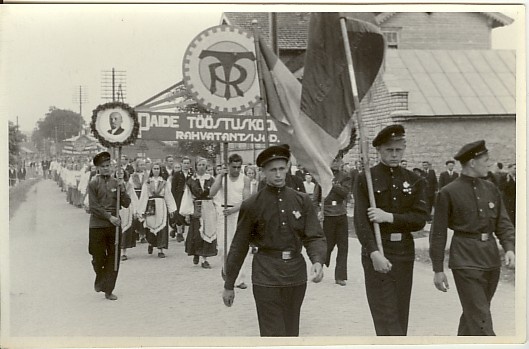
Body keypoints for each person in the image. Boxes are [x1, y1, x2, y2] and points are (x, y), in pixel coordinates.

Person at [222, 145, 326, 337]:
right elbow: (239, 246)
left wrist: (317, 261)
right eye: (272, 170)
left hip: (295, 275)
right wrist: (229, 284)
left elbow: (314, 236)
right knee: (273, 334)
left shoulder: (302, 200)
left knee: (291, 331)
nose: (278, 174)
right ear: (262, 172)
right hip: (266, 276)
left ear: (287, 168)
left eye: (281, 168)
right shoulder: (252, 205)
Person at [429, 140, 515, 336]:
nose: (489, 164)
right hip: (465, 260)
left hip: (491, 260)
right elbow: (438, 233)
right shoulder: (448, 192)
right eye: (486, 160)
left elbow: (503, 222)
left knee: (474, 315)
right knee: (480, 316)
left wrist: (509, 248)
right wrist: (437, 269)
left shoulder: (491, 188)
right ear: (472, 163)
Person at [354, 124, 429, 336]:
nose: (395, 155)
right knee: (385, 314)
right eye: (389, 150)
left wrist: (390, 217)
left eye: (399, 150)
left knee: (400, 312)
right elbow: (361, 221)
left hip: (404, 252)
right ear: (379, 150)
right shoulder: (366, 179)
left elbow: (420, 219)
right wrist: (373, 252)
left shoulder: (414, 180)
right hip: (379, 251)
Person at [87, 151, 131, 300]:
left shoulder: (116, 182)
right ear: (98, 168)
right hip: (97, 225)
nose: (106, 168)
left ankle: (108, 289)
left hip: (114, 225)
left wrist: (122, 189)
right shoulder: (93, 183)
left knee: (114, 258)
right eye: (103, 166)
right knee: (97, 256)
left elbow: (126, 203)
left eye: (108, 165)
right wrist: (109, 217)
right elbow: (93, 206)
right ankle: (100, 278)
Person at [210, 153, 251, 288]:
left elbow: (246, 200)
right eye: (233, 167)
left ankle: (239, 279)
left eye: (239, 167)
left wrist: (234, 210)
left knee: (239, 246)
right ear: (228, 166)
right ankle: (226, 268)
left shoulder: (244, 179)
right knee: (222, 247)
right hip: (223, 213)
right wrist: (220, 176)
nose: (236, 170)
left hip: (238, 213)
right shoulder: (223, 178)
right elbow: (212, 193)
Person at [313, 158, 351, 286]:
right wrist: (318, 211)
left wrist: (332, 183)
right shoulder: (321, 176)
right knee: (327, 245)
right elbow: (316, 198)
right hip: (327, 214)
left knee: (343, 246)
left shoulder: (345, 176)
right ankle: (319, 269)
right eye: (333, 160)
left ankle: (340, 276)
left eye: (338, 161)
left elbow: (345, 192)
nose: (335, 163)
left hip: (340, 213)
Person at [137, 162, 177, 258]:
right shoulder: (147, 183)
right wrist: (141, 210)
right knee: (150, 225)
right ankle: (151, 243)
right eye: (154, 168)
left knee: (162, 226)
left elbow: (168, 196)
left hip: (161, 205)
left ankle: (161, 249)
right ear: (151, 170)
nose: (156, 170)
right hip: (150, 205)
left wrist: (171, 209)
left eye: (158, 169)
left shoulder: (164, 183)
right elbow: (143, 196)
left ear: (160, 170)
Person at [185, 157, 218, 268]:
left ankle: (205, 258)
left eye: (204, 165)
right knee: (197, 233)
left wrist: (217, 208)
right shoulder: (191, 180)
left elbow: (216, 195)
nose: (202, 167)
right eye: (199, 165)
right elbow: (188, 196)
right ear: (195, 166)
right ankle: (196, 253)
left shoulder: (211, 179)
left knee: (207, 231)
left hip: (208, 207)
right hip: (197, 207)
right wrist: (188, 211)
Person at [170, 156, 194, 242]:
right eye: (184, 163)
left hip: (190, 195)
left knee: (190, 213)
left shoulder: (193, 174)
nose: (186, 165)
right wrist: (174, 198)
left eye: (188, 163)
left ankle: (189, 233)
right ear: (181, 164)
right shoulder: (177, 174)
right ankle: (179, 232)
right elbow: (173, 187)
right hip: (179, 196)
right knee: (179, 214)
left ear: (190, 164)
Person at [129, 158, 148, 243]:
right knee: (136, 214)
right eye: (140, 165)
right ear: (137, 166)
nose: (142, 166)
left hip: (144, 195)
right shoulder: (132, 176)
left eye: (143, 165)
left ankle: (143, 234)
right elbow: (130, 186)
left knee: (144, 214)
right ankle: (137, 232)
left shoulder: (147, 175)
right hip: (136, 195)